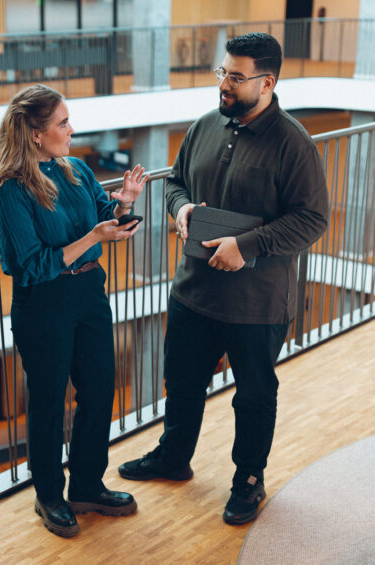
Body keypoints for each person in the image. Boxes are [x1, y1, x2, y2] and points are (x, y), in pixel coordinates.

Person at [118, 32, 328, 525]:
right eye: (222, 73)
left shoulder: (294, 144)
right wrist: (182, 207)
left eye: (236, 77)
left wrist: (246, 246)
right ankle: (174, 458)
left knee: (254, 395)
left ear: (267, 81)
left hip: (256, 303)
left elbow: (312, 219)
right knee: (183, 382)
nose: (225, 85)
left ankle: (248, 482)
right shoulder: (206, 125)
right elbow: (175, 182)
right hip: (193, 290)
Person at [0, 84, 148, 537]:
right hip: (44, 305)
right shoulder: (11, 191)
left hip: (89, 295)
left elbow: (101, 212)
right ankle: (50, 496)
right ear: (36, 134)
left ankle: (88, 485)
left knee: (99, 390)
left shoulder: (75, 169)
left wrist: (125, 204)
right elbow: (32, 266)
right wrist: (95, 237)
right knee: (49, 402)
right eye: (62, 123)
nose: (71, 130)